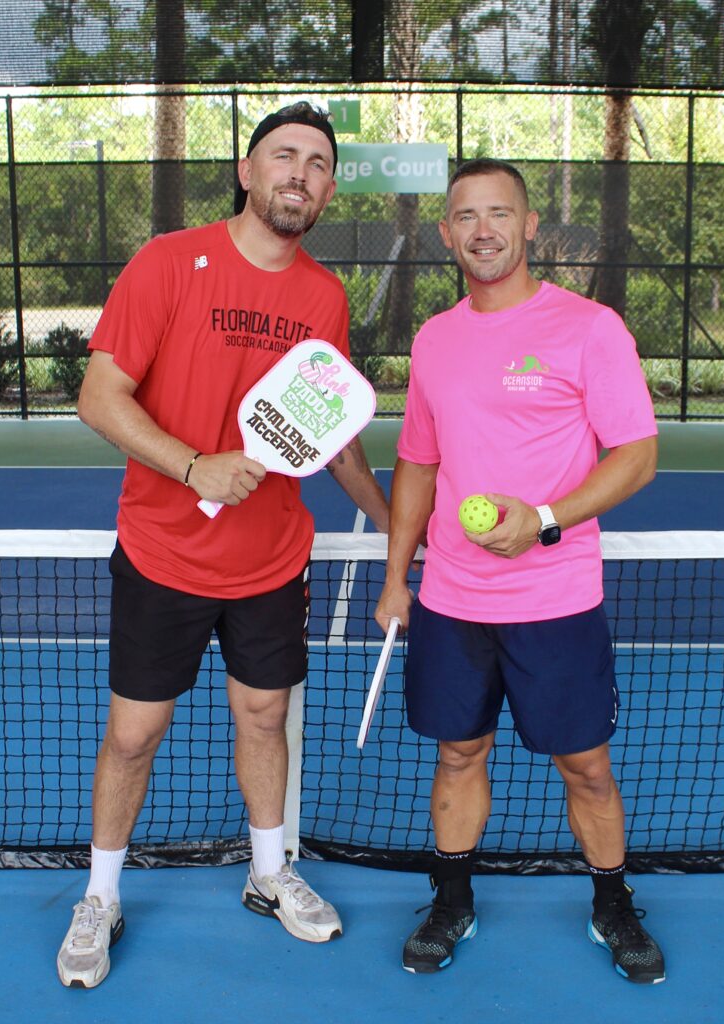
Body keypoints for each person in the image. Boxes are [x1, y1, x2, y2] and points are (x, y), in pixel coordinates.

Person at [57, 101, 389, 989]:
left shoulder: (323, 297)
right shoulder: (169, 262)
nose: (300, 174)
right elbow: (99, 396)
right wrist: (193, 465)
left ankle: (269, 873)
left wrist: (396, 519)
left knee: (266, 718)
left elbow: (329, 432)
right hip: (164, 552)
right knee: (136, 733)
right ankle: (100, 896)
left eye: (318, 164)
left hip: (270, 560)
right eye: (285, 155)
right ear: (247, 171)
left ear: (327, 190)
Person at [375, 158, 665, 984]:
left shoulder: (590, 328)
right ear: (446, 234)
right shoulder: (435, 339)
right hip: (452, 599)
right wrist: (396, 578)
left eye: (499, 212)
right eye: (466, 216)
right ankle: (451, 899)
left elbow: (637, 455)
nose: (484, 230)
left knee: (587, 766)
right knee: (458, 754)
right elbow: (418, 463)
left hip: (556, 598)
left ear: (530, 225)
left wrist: (543, 519)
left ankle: (612, 905)